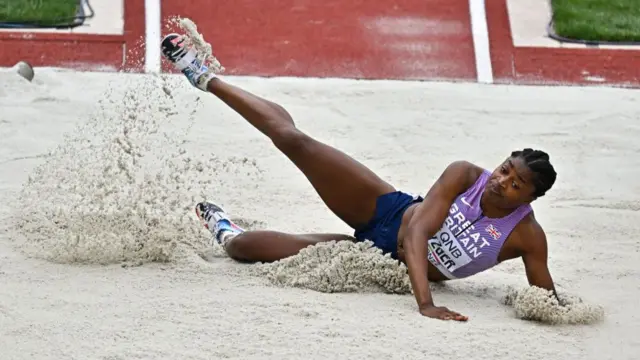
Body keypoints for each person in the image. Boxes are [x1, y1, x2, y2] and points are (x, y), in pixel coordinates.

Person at [161, 33, 559, 322]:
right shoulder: (465, 175)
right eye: (505, 169)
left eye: (514, 184)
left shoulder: (526, 236)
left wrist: (560, 310)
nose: (501, 181)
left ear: (529, 198)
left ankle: (225, 229)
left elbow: (544, 297)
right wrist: (425, 304)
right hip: (386, 211)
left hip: (380, 261)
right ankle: (205, 78)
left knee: (243, 250)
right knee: (293, 140)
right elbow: (418, 231)